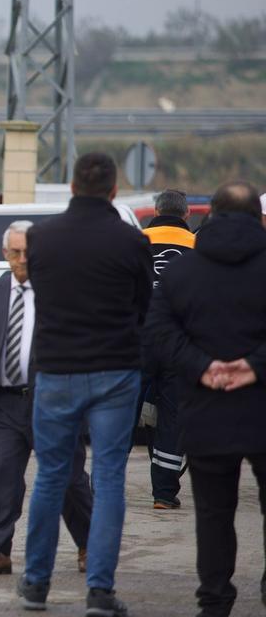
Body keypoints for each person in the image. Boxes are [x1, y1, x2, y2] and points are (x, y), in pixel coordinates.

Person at [16, 151, 152, 617]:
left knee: (51, 476)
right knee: (110, 478)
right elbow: (142, 308)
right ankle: (99, 590)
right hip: (116, 371)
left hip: (55, 371)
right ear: (113, 190)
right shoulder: (133, 242)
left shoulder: (40, 238)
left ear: (72, 187)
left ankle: (36, 584)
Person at [145, 180, 266, 617]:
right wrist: (252, 366)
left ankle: (214, 604)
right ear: (258, 217)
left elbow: (158, 333)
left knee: (214, 513)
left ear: (210, 214)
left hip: (204, 406)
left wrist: (204, 366)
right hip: (261, 404)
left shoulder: (184, 272)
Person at [0, 221, 92, 575]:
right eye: (16, 252)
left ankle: (89, 544)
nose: (23, 259)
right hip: (4, 405)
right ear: (5, 254)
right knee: (2, 477)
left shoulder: (61, 293)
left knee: (68, 479)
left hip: (52, 402)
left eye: (29, 252)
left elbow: (78, 351)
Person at [139, 188, 195, 509]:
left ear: (156, 210)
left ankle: (106, 483)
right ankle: (163, 494)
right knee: (173, 417)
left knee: (122, 410)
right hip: (178, 344)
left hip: (138, 341)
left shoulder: (136, 242)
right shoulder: (199, 248)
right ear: (187, 215)